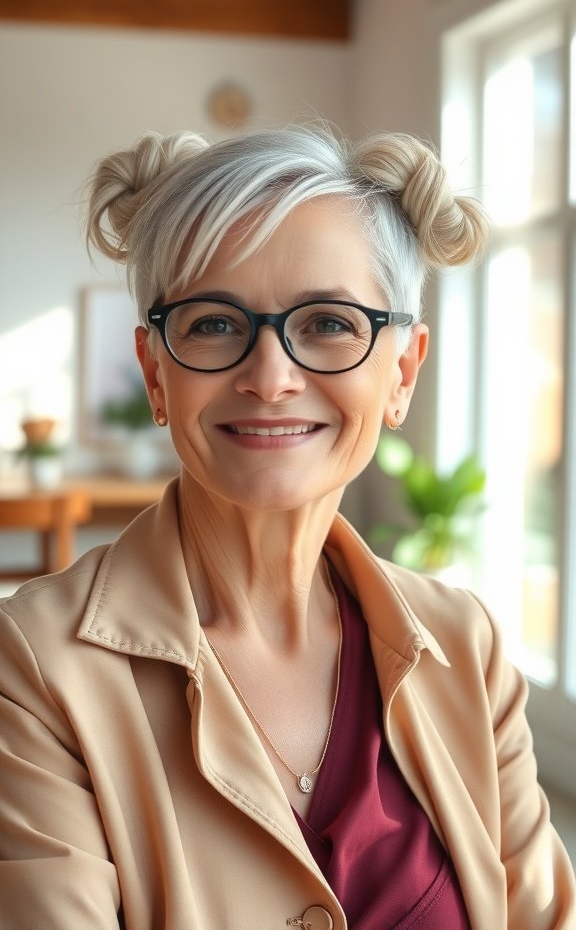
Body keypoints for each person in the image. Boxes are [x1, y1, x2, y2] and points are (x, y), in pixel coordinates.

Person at [0, 124, 574, 930]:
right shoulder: (33, 665)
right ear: (155, 372)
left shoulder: (466, 646)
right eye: (212, 323)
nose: (270, 378)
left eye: (330, 324)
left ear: (402, 372)